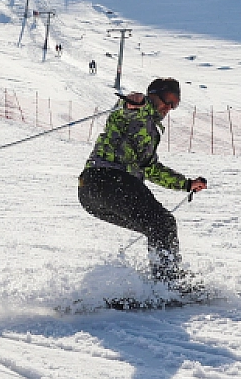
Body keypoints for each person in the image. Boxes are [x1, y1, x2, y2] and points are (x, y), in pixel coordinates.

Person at [79, 78, 207, 289]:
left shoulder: (152, 130)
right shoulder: (138, 112)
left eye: (175, 104)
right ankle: (168, 285)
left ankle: (155, 284)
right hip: (111, 180)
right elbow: (125, 110)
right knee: (163, 224)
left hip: (90, 193)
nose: (169, 107)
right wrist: (133, 102)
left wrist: (186, 184)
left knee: (157, 227)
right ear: (153, 95)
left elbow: (150, 167)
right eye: (168, 100)